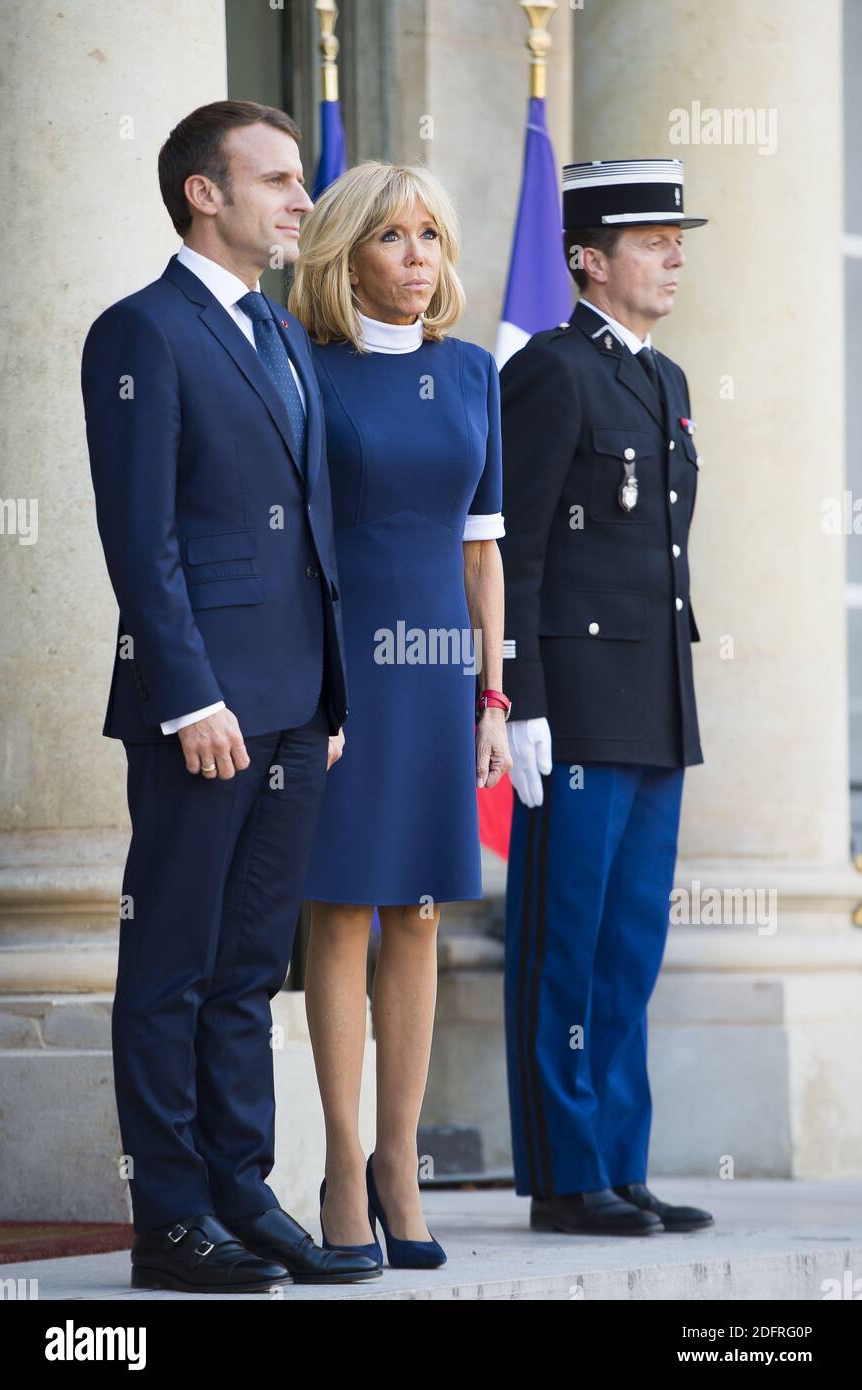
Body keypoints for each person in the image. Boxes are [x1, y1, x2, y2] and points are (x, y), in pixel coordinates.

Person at [81, 99, 381, 1291]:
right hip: (200, 708)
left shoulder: (281, 333)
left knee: (253, 964)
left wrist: (332, 697)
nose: (303, 201)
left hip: (299, 707)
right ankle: (167, 1217)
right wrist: (186, 692)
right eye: (277, 180)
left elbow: (310, 532)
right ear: (204, 193)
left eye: (299, 181)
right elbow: (137, 532)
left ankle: (239, 1190)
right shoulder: (140, 333)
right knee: (173, 959)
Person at [288, 161, 512, 1268]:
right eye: (393, 236)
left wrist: (494, 693)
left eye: (432, 235)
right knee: (338, 909)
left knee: (419, 913)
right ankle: (337, 1165)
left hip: (435, 674)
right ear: (344, 254)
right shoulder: (305, 369)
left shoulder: (472, 375)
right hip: (341, 668)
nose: (419, 257)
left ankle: (398, 1165)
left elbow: (483, 548)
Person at [499, 158, 715, 1236]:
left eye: (679, 237)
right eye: (651, 238)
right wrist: (519, 695)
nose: (675, 253)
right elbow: (517, 550)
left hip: (652, 698)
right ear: (588, 257)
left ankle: (621, 1160)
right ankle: (565, 1171)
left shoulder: (664, 379)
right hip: (575, 706)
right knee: (564, 943)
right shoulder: (548, 371)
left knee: (630, 948)